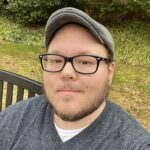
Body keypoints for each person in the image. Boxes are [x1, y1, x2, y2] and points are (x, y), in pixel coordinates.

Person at [0, 7, 150, 150]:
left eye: (85, 61)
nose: (66, 72)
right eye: (56, 60)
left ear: (110, 72)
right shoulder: (10, 121)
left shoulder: (134, 143)